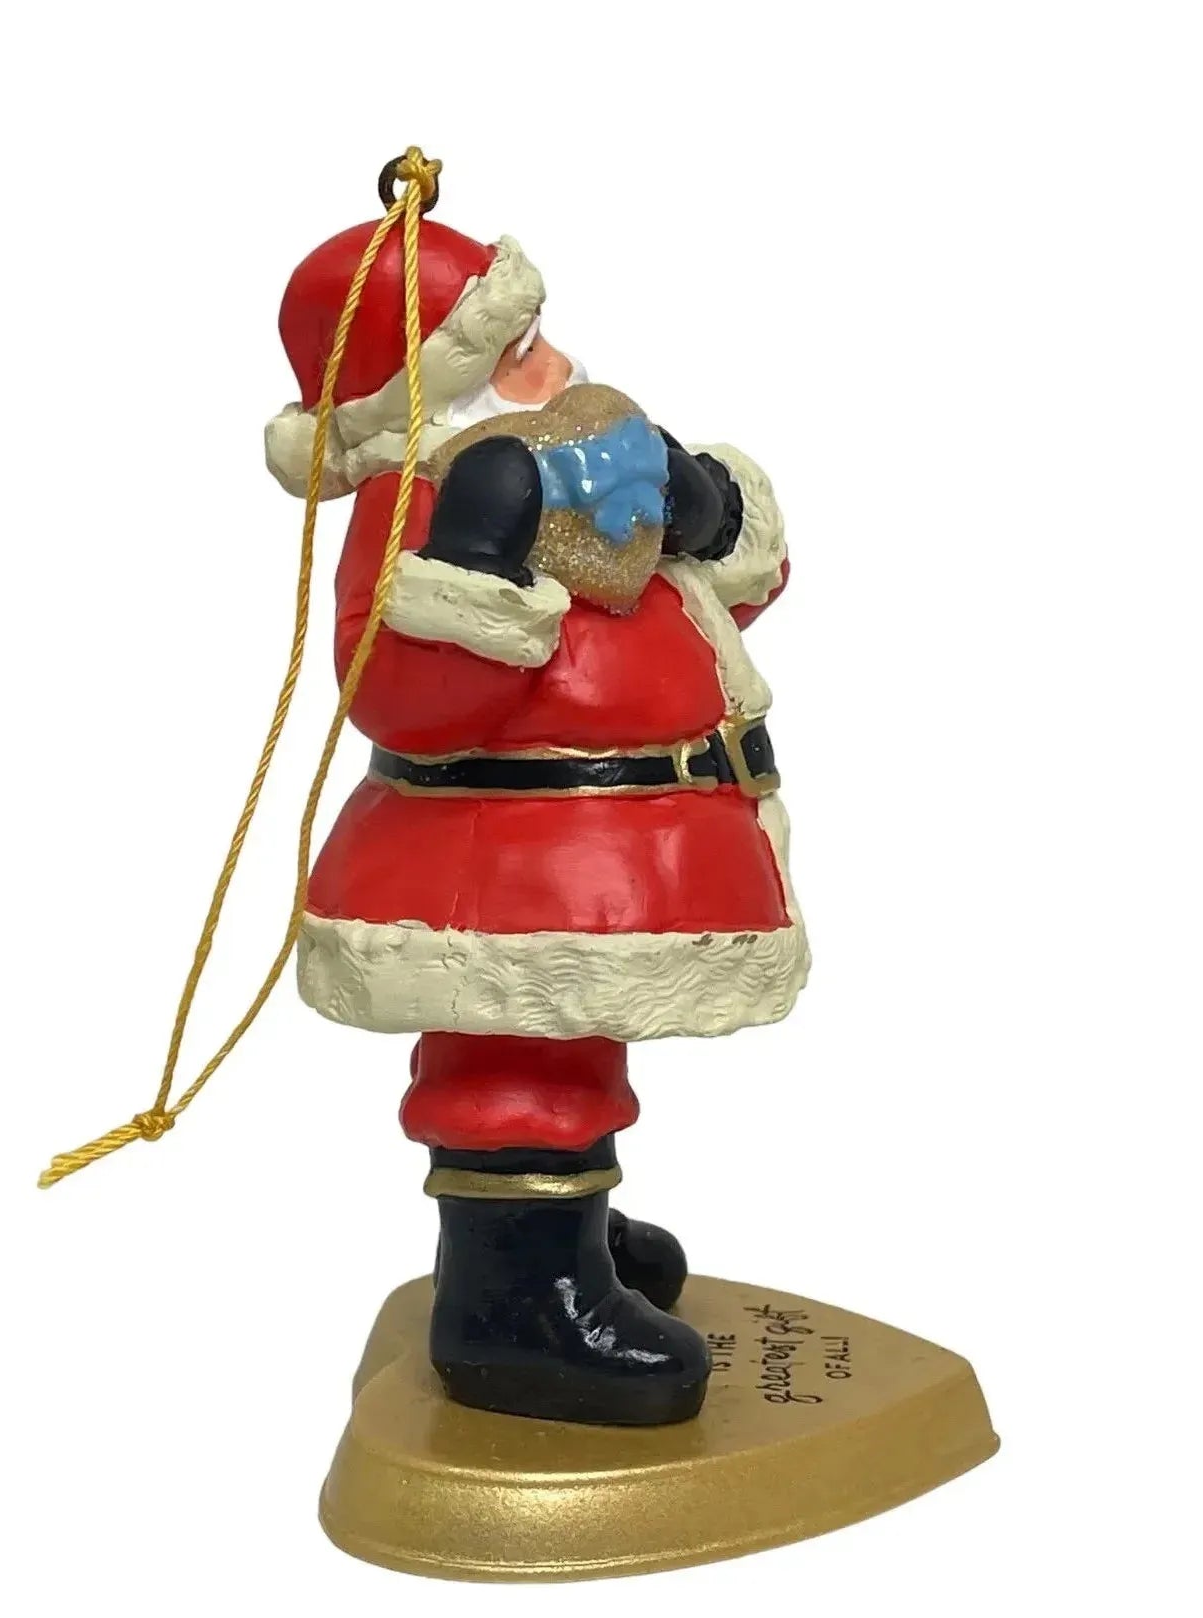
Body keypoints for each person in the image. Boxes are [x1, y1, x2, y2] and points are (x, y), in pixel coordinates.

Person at [265, 215, 807, 1425]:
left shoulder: (583, 472)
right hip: (500, 865)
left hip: (617, 849)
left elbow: (710, 607)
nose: (552, 368)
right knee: (514, 1057)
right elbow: (394, 691)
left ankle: (566, 1227)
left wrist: (703, 512)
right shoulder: (415, 499)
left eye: (539, 338)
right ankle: (510, 1301)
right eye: (512, 358)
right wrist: (474, 558)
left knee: (574, 1040)